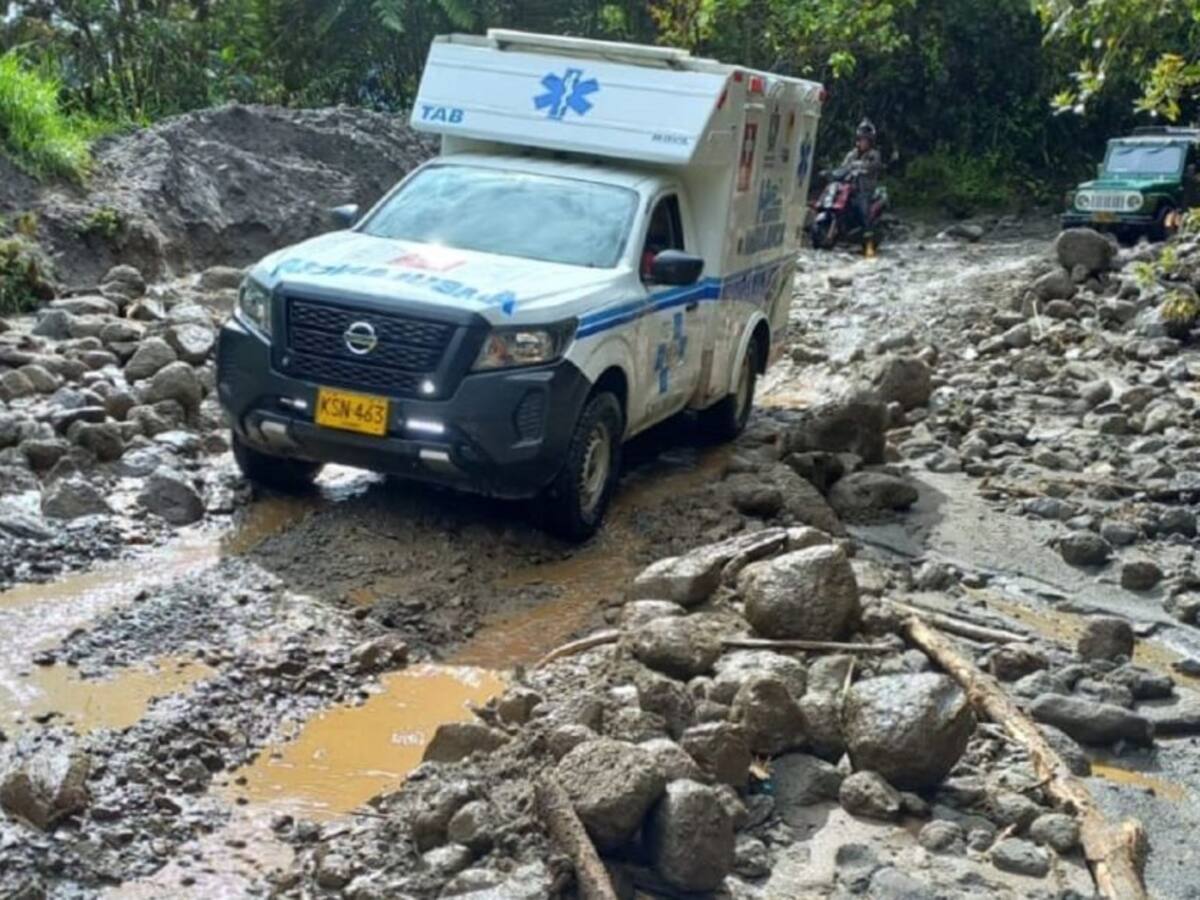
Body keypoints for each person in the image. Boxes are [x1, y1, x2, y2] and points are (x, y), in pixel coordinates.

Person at [841, 118, 883, 250]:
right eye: (861, 139)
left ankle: (868, 238)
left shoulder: (874, 155)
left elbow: (873, 166)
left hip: (865, 190)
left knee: (863, 209)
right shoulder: (851, 155)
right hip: (850, 188)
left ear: (870, 141)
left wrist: (862, 168)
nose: (862, 142)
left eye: (866, 140)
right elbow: (843, 167)